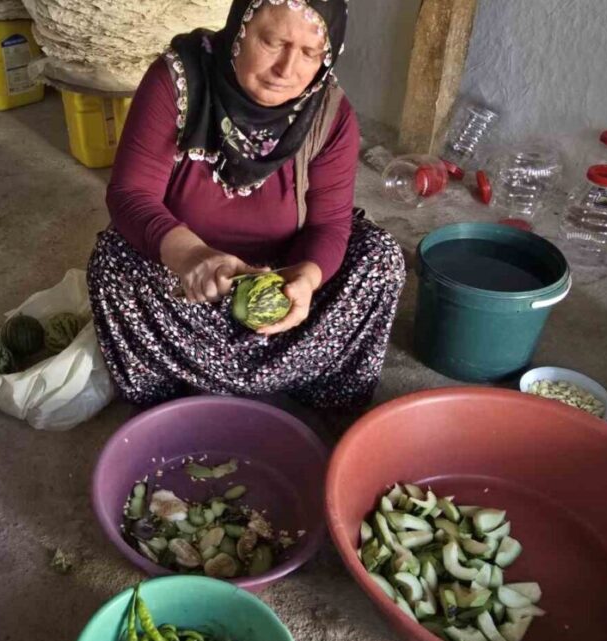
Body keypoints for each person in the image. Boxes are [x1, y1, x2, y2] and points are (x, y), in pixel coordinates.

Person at [88, 0, 405, 408]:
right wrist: (191, 256)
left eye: (310, 54)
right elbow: (130, 194)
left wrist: (305, 281)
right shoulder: (178, 81)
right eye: (273, 42)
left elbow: (330, 224)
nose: (286, 70)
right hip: (189, 284)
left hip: (280, 285)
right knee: (113, 261)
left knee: (380, 260)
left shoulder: (329, 114)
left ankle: (324, 391)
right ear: (239, 29)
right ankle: (165, 397)